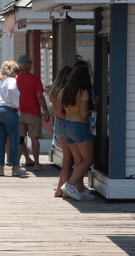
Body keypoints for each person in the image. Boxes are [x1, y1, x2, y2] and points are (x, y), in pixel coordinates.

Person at [56, 65, 95, 201]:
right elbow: (84, 113)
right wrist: (91, 112)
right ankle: (70, 185)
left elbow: (59, 112)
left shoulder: (64, 91)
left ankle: (80, 190)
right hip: (79, 127)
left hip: (67, 126)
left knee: (78, 160)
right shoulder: (82, 92)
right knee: (88, 160)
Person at [0, 60, 27, 177]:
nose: (17, 73)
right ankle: (15, 167)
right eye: (16, 71)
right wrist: (16, 105)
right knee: (14, 139)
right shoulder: (11, 80)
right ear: (12, 71)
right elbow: (12, 90)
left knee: (1, 140)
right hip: (9, 111)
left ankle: (1, 168)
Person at [16, 54, 50, 171]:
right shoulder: (34, 79)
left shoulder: (15, 79)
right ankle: (37, 164)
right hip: (33, 114)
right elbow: (39, 96)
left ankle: (16, 165)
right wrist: (45, 111)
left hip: (19, 114)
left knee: (20, 139)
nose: (31, 64)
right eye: (29, 62)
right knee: (34, 139)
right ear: (25, 64)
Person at [48, 66, 73, 197]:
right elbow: (59, 113)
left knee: (67, 159)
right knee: (68, 159)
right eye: (70, 75)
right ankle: (62, 189)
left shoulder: (55, 91)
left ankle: (61, 188)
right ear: (65, 76)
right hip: (62, 124)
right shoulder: (61, 92)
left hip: (58, 125)